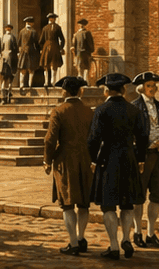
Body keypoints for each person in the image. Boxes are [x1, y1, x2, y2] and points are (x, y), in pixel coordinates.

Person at [89, 72, 148, 259]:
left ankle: (114, 245)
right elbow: (143, 137)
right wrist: (140, 159)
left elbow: (93, 139)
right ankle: (126, 239)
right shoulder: (134, 110)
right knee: (127, 204)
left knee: (108, 205)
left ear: (106, 91)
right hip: (129, 158)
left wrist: (93, 159)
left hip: (108, 160)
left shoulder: (101, 110)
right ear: (123, 89)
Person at [43, 75, 94, 256]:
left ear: (64, 92)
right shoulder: (89, 111)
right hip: (86, 159)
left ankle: (73, 242)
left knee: (67, 202)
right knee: (84, 202)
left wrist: (47, 160)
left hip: (65, 160)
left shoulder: (58, 111)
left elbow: (50, 139)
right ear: (80, 91)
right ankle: (81, 237)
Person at [129, 72, 159, 248]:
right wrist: (146, 146)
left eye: (154, 86)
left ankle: (151, 233)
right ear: (141, 88)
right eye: (149, 86)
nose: (153, 89)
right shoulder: (134, 107)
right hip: (143, 157)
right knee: (138, 196)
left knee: (157, 195)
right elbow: (132, 135)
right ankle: (137, 232)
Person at [37, 13, 65, 89]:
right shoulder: (45, 28)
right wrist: (41, 49)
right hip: (46, 48)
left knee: (54, 65)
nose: (51, 19)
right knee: (46, 65)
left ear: (55, 19)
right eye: (50, 18)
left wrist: (61, 48)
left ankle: (53, 82)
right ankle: (46, 82)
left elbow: (62, 39)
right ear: (48, 19)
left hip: (55, 47)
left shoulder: (58, 27)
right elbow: (41, 40)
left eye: (53, 18)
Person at [16, 16, 40, 93]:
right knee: (31, 70)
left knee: (23, 69)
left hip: (23, 52)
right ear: (31, 23)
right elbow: (36, 44)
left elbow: (19, 43)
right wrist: (39, 51)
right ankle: (29, 85)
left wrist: (19, 52)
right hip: (31, 52)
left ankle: (22, 85)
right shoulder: (34, 31)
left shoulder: (22, 31)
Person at [0, 23, 18, 103]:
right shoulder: (4, 37)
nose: (8, 29)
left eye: (9, 28)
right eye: (7, 28)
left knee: (8, 79)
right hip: (5, 60)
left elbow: (15, 48)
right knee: (5, 79)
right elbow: (1, 48)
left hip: (9, 59)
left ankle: (8, 95)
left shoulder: (12, 37)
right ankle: (4, 96)